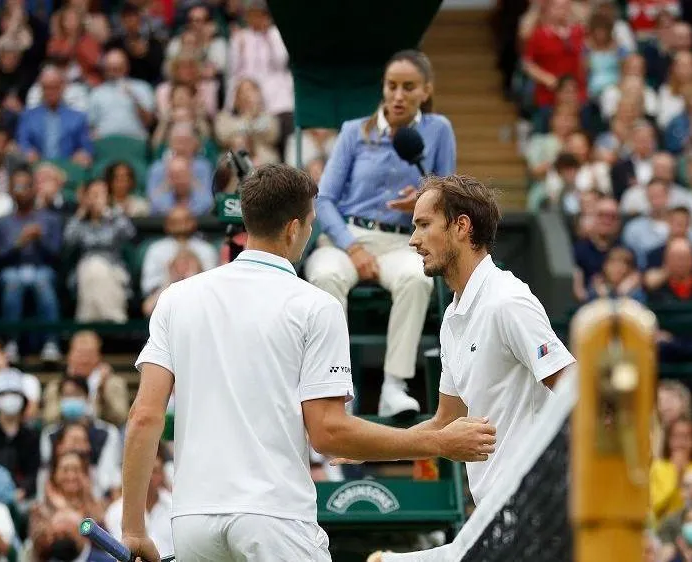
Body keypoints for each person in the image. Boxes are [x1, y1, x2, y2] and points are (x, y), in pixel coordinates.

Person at [120, 164, 496, 562]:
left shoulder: (176, 298)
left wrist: (132, 529)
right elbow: (328, 432)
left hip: (193, 525)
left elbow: (144, 417)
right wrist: (437, 441)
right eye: (312, 223)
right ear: (293, 228)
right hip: (274, 522)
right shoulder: (316, 306)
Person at [365, 174, 576, 562]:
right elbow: (446, 422)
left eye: (424, 225)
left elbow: (577, 395)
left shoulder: (507, 302)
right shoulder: (451, 317)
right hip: (498, 520)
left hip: (532, 521)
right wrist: (367, 443)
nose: (413, 240)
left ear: (461, 226)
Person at [305, 49, 457, 418]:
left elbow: (448, 192)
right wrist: (352, 247)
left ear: (426, 90)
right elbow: (324, 200)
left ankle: (394, 385)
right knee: (324, 276)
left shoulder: (439, 130)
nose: (398, 95)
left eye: (409, 87)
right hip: (346, 239)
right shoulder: (354, 131)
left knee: (415, 278)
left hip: (403, 241)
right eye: (392, 86)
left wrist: (424, 200)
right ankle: (337, 391)